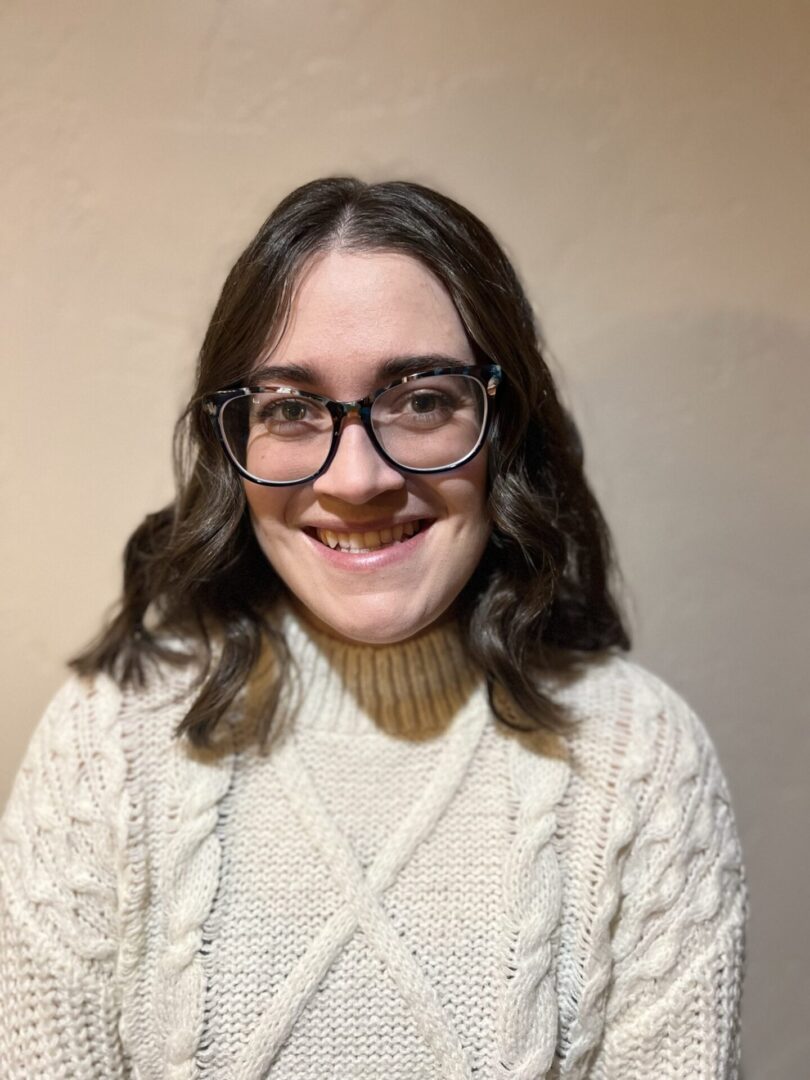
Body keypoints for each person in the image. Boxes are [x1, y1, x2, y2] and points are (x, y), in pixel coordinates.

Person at [0, 178, 747, 1079]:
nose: (356, 479)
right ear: (232, 446)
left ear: (503, 426)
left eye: (423, 399)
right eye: (289, 408)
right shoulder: (106, 743)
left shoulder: (641, 760)